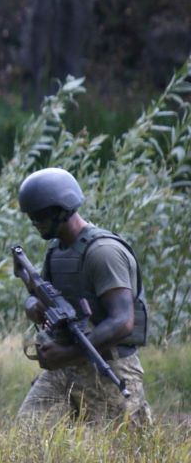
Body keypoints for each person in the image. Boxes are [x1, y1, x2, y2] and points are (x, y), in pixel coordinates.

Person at [15, 167, 151, 425]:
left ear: (62, 209)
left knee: (119, 454)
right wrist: (32, 305)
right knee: (26, 436)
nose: (35, 222)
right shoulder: (58, 251)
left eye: (40, 215)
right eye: (31, 216)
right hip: (64, 369)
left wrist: (65, 354)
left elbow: (123, 322)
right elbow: (41, 294)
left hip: (108, 367)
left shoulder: (103, 253)